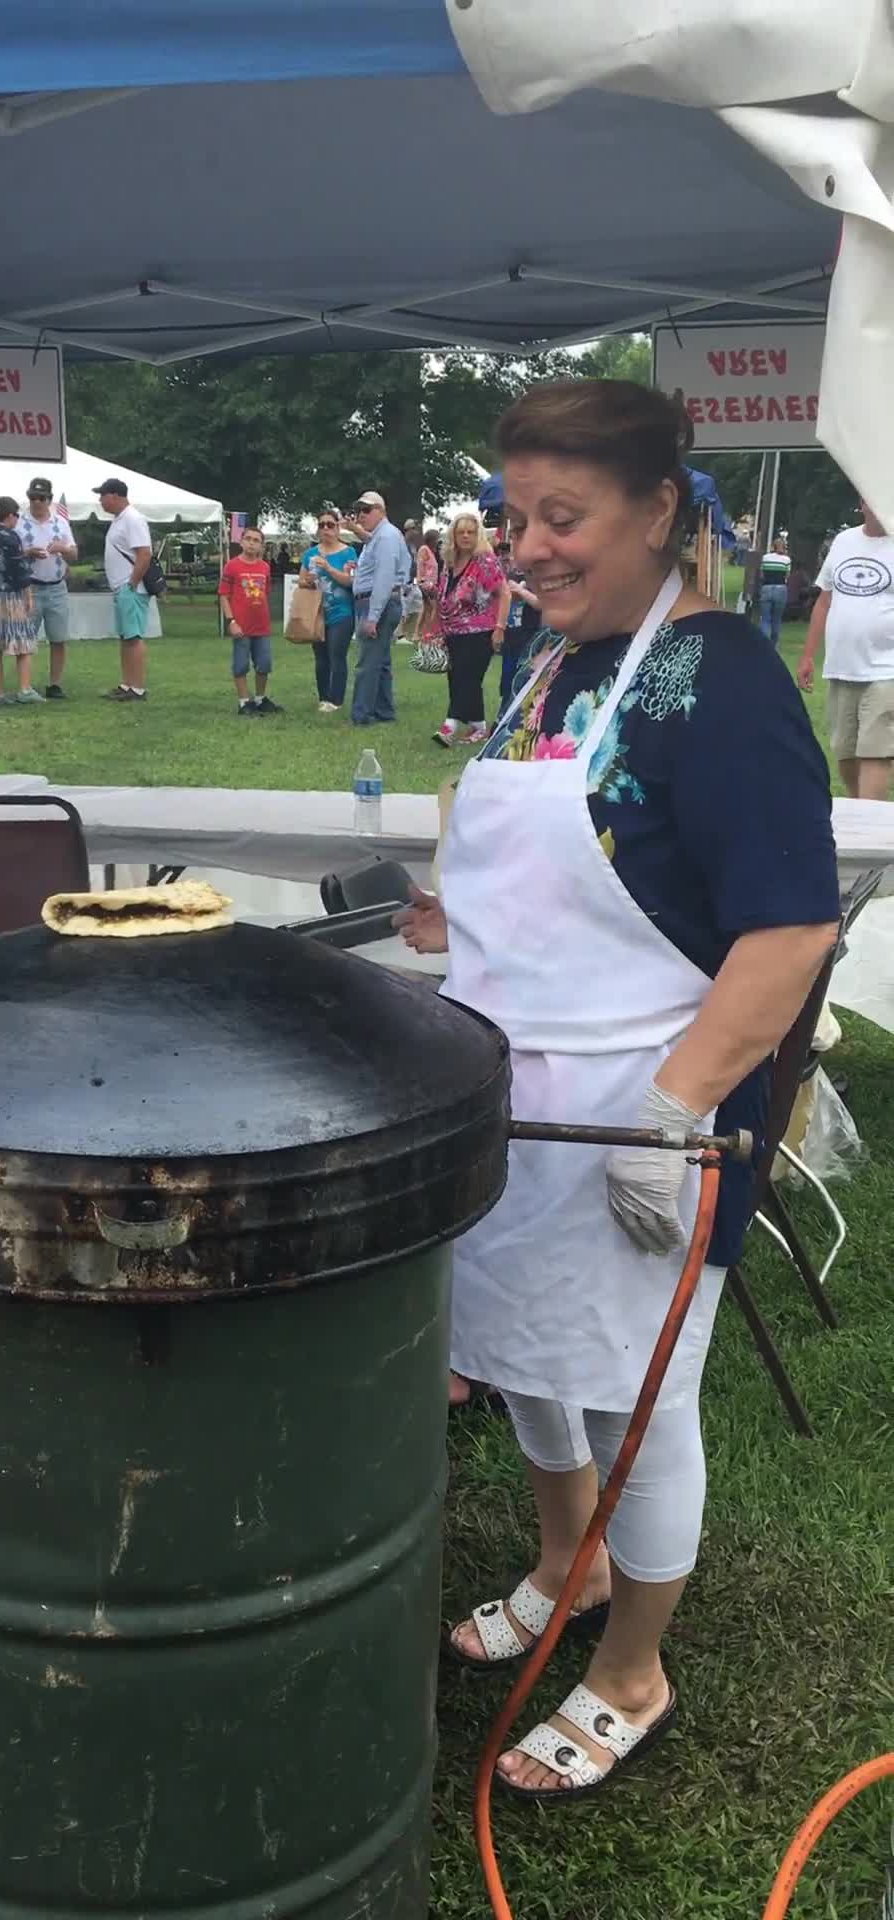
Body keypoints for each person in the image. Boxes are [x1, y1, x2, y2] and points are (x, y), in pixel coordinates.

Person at [396, 379, 838, 1804]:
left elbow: (787, 931)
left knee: (642, 1405)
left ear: (660, 511)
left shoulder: (727, 687)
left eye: (562, 517)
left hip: (649, 1115)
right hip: (513, 1100)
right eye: (514, 515)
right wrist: (457, 928)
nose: (525, 545)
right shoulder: (555, 659)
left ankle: (632, 1664)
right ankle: (560, 1562)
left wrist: (674, 1111)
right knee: (527, 1355)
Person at [798, 501, 894, 800]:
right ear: (861, 505)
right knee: (845, 753)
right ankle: (860, 808)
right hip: (842, 665)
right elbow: (824, 601)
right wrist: (807, 655)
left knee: (875, 751)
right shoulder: (844, 541)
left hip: (886, 667)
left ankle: (869, 821)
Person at [432, 511, 506, 747]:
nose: (465, 536)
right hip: (452, 632)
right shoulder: (450, 562)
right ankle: (478, 726)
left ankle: (449, 726)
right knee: (458, 679)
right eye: (461, 532)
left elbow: (504, 593)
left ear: (478, 535)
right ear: (453, 535)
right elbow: (442, 595)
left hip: (480, 630)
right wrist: (436, 628)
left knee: (467, 678)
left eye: (470, 532)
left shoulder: (485, 560)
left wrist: (500, 628)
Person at [0, 496, 42, 706]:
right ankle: (24, 689)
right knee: (23, 642)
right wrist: (28, 595)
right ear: (10, 515)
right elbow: (18, 570)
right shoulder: (10, 537)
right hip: (7, 596)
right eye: (17, 515)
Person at [350, 491, 409, 727]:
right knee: (381, 661)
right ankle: (384, 710)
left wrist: (373, 617)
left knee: (368, 662)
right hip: (382, 602)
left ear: (381, 511)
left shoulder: (385, 537)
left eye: (366, 510)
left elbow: (384, 579)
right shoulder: (383, 536)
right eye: (358, 511)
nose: (360, 515)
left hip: (377, 604)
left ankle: (362, 714)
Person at [17, 477, 77, 699]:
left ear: (49, 500)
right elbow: (11, 555)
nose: (36, 502)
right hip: (30, 586)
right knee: (26, 638)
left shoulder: (60, 523)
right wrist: (28, 553)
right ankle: (26, 684)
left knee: (58, 638)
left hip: (56, 586)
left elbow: (74, 553)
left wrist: (62, 547)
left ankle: (55, 684)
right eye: (32, 497)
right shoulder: (20, 523)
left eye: (41, 498)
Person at [93, 478, 152, 703]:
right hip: (121, 586)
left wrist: (132, 583)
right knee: (125, 637)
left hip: (131, 587)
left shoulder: (133, 519)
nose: (100, 500)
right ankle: (126, 683)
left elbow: (144, 554)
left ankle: (137, 688)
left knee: (134, 637)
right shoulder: (119, 520)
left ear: (115, 495)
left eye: (102, 495)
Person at [298, 512, 358, 712]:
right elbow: (301, 580)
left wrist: (328, 568)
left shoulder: (348, 552)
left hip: (342, 611)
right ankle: (324, 697)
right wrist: (307, 581)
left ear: (337, 528)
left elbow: (351, 581)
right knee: (320, 656)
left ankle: (336, 700)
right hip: (317, 612)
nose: (325, 529)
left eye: (330, 525)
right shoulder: (310, 554)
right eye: (321, 525)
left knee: (336, 654)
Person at [219, 527, 282, 716]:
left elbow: (266, 592)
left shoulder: (264, 567)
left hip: (261, 625)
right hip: (241, 625)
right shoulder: (231, 566)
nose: (251, 543)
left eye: (256, 540)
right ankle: (243, 701)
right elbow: (223, 595)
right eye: (248, 539)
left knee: (264, 663)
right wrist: (231, 620)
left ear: (261, 545)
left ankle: (260, 699)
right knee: (241, 664)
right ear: (241, 542)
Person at [497, 546, 541, 716]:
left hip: (529, 640)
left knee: (525, 680)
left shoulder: (536, 578)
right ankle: (501, 717)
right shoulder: (509, 577)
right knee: (506, 681)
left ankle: (520, 717)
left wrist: (522, 592)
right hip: (510, 638)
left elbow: (541, 604)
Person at [757, 533, 791, 644]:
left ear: (773, 546)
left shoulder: (765, 557)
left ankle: (763, 642)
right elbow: (787, 576)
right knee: (776, 618)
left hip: (766, 587)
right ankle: (773, 643)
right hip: (780, 588)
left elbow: (761, 575)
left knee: (765, 618)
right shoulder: (786, 560)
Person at [395, 519, 424, 644]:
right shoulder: (400, 544)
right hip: (403, 582)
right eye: (414, 529)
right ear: (409, 530)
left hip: (412, 582)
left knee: (418, 606)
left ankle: (410, 633)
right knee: (403, 610)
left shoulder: (412, 546)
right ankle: (399, 635)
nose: (416, 532)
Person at [415, 527, 441, 644]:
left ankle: (419, 633)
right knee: (435, 607)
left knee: (426, 608)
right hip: (426, 583)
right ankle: (429, 632)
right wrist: (421, 580)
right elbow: (420, 564)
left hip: (430, 583)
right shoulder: (424, 549)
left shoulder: (431, 551)